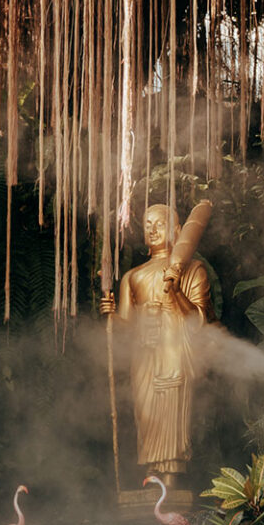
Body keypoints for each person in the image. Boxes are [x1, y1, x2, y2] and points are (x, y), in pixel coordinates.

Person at [100, 204, 212, 486]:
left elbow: (201, 320)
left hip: (175, 351)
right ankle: (151, 474)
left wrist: (175, 292)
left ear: (175, 230)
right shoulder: (132, 277)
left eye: (159, 224)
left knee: (172, 413)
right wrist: (111, 316)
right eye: (147, 224)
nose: (151, 229)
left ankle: (172, 475)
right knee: (146, 415)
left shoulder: (192, 270)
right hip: (145, 355)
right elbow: (125, 328)